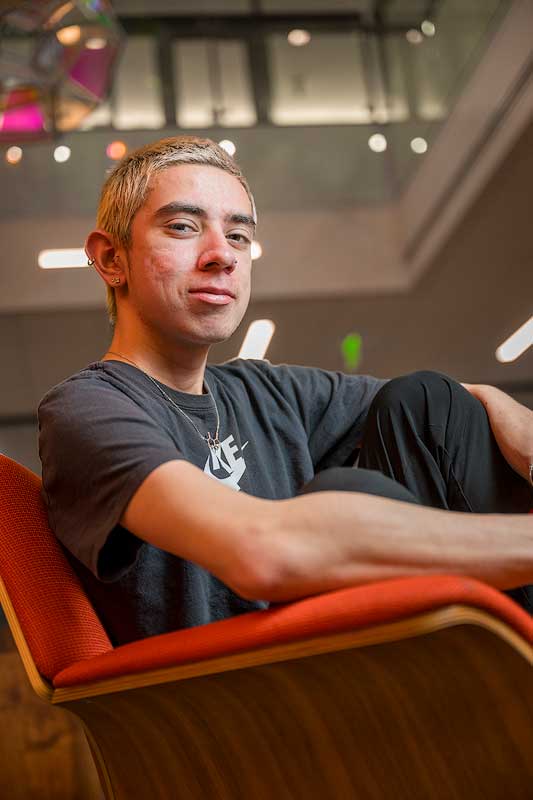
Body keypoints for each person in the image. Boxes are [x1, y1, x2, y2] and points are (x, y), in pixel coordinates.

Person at [38, 136, 533, 647]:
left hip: (337, 656)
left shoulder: (264, 390)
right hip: (244, 692)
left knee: (431, 400)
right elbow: (260, 553)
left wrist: (499, 402)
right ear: (111, 258)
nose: (221, 257)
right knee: (353, 501)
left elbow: (445, 415)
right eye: (183, 227)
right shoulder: (85, 410)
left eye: (237, 237)